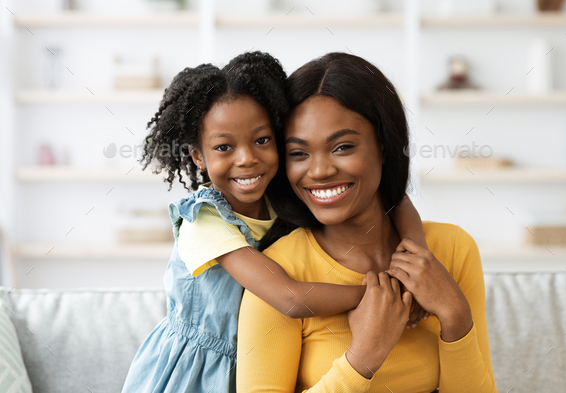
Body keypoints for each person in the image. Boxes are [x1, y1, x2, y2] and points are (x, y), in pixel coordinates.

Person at [121, 51, 429, 393]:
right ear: (198, 156)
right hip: (197, 369)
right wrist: (381, 293)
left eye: (262, 140)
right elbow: (290, 298)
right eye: (224, 147)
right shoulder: (204, 221)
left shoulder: (277, 193)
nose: (247, 158)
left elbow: (395, 197)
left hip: (258, 358)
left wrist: (416, 264)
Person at [237, 52, 498, 392]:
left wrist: (455, 315)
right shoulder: (278, 273)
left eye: (343, 147)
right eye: (298, 153)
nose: (319, 171)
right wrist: (362, 358)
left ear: (384, 147)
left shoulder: (451, 249)